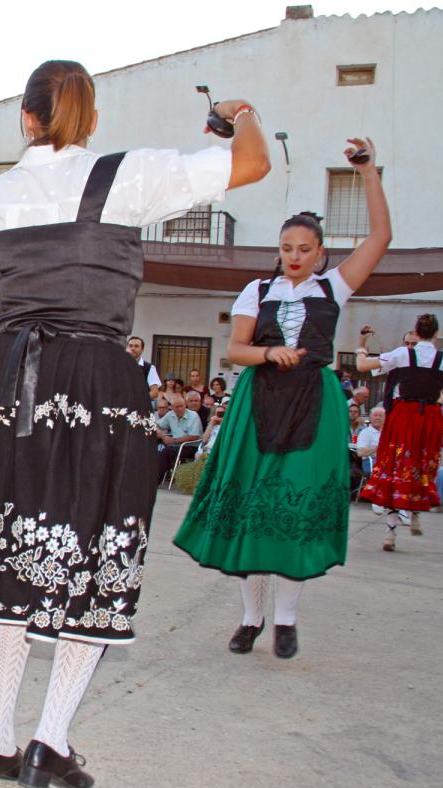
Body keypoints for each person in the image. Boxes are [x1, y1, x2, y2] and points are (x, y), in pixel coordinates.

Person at [0, 59, 270, 788]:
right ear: (91, 122)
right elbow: (252, 164)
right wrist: (237, 116)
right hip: (94, 384)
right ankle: (47, 739)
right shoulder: (125, 176)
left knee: (6, 560)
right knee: (91, 555)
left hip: (3, 382)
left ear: (25, 119)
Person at [174, 137, 389, 661]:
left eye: (304, 250)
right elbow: (236, 350)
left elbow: (381, 236)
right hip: (258, 402)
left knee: (295, 510)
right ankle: (251, 616)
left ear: (320, 253)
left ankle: (286, 620)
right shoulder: (257, 290)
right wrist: (271, 355)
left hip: (314, 405)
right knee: (250, 507)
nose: (294, 257)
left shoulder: (334, 288)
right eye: (287, 248)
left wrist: (366, 173)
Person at [357, 314, 443, 546]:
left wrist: (360, 346)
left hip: (404, 415)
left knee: (396, 466)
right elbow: (442, 359)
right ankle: (414, 513)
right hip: (429, 417)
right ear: (436, 333)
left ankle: (391, 530)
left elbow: (362, 366)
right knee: (422, 466)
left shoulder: (403, 354)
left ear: (416, 331)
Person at [156, 393, 203, 483]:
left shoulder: (193, 415)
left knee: (166, 451)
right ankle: (156, 477)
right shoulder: (170, 415)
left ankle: (156, 480)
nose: (180, 408)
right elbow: (157, 425)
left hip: (191, 446)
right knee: (159, 449)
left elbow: (194, 436)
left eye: (182, 406)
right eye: (177, 407)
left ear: (185, 405)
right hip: (175, 446)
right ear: (172, 408)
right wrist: (161, 434)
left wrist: (173, 440)